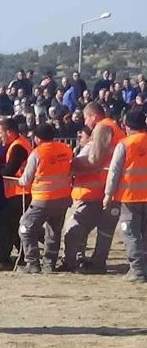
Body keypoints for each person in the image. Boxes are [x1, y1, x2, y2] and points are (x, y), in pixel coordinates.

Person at [63, 102, 126, 273]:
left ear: (94, 116)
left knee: (76, 227)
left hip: (96, 191)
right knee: (105, 232)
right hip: (113, 189)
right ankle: (97, 263)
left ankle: (75, 261)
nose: (86, 122)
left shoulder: (102, 128)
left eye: (86, 118)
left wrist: (72, 165)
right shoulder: (116, 129)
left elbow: (95, 159)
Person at [17, 124, 73, 274]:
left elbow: (26, 179)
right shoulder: (66, 149)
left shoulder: (37, 153)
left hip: (42, 199)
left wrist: (19, 181)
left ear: (37, 138)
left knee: (25, 228)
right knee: (54, 231)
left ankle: (32, 262)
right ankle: (49, 264)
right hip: (62, 198)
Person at [104, 111, 147, 282]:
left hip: (130, 197)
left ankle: (137, 270)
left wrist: (108, 194)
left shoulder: (125, 144)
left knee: (130, 234)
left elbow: (114, 172)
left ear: (127, 126)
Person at [0, 119, 32, 271]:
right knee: (14, 226)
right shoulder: (19, 144)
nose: (0, 137)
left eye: (1, 133)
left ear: (9, 132)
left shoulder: (18, 147)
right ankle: (21, 256)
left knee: (2, 223)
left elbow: (10, 171)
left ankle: (3, 258)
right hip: (19, 193)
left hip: (20, 193)